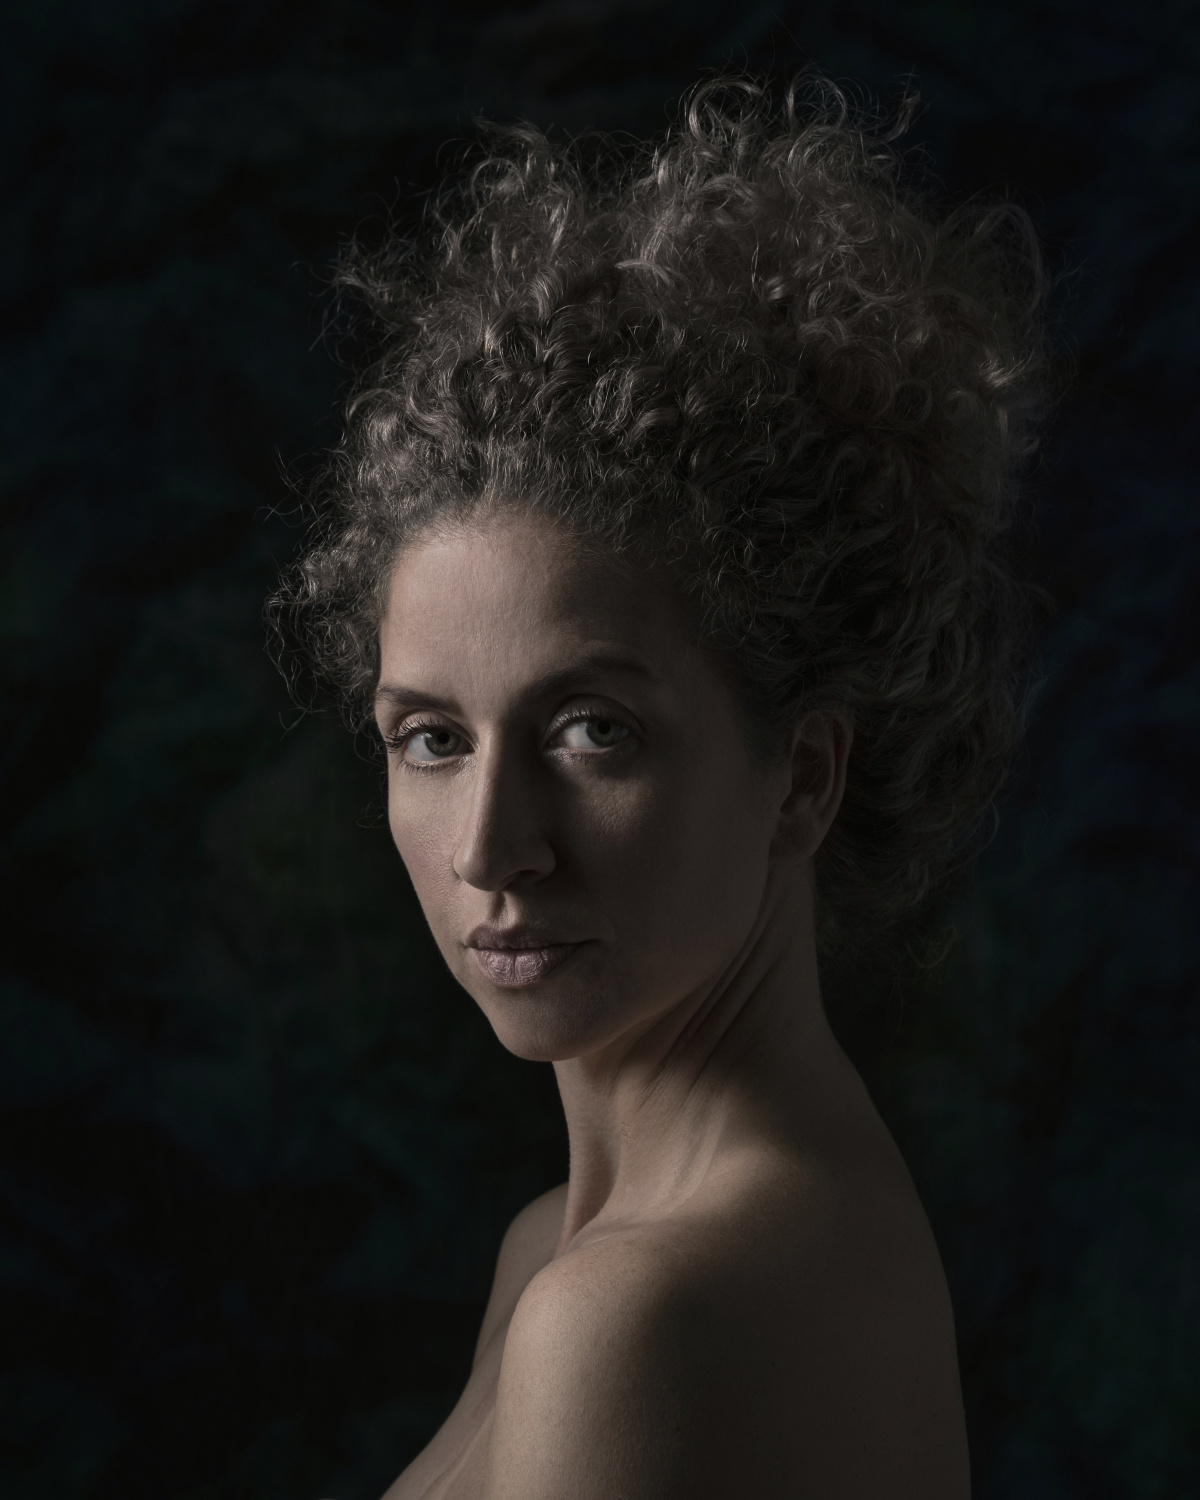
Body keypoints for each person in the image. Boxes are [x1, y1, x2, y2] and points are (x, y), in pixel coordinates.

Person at [273, 71, 1046, 1500]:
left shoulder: (638, 1318)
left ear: (801, 775)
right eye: (430, 738)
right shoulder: (578, 1250)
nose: (492, 849)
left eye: (592, 731)